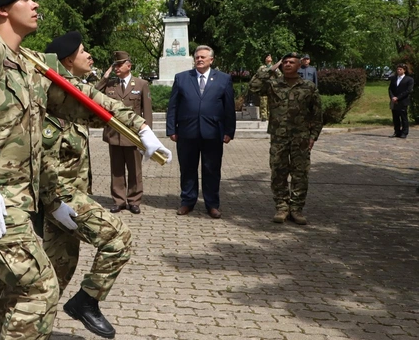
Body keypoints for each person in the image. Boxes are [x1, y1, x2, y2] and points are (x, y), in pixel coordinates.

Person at [0, 0, 168, 340]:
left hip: (19, 204)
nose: (35, 3)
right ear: (3, 10)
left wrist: (139, 129)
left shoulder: (28, 62)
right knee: (41, 290)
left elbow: (81, 98)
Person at [42, 31, 140, 340]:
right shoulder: (50, 102)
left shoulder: (74, 96)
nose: (90, 55)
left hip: (70, 199)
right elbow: (40, 161)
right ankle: (86, 301)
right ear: (68, 59)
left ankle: (30, 330)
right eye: (83, 51)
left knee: (55, 274)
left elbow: (103, 110)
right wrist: (54, 203)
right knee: (118, 238)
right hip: (61, 199)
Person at [249, 52, 323, 225]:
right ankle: (282, 207)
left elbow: (317, 114)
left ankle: (296, 209)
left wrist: (313, 136)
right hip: (279, 137)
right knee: (278, 173)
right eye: (285, 62)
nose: (288, 64)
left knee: (300, 174)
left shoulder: (308, 86)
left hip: (301, 138)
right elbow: (253, 87)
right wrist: (270, 68)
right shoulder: (273, 84)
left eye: (292, 62)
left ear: (299, 65)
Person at [166, 45, 236, 219]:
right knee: (187, 168)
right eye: (197, 57)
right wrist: (171, 129)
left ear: (211, 60)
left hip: (213, 132)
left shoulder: (223, 79)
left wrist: (229, 131)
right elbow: (173, 106)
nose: (199, 59)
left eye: (203, 57)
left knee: (211, 169)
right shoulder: (182, 78)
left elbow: (229, 107)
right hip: (187, 132)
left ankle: (212, 204)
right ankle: (187, 201)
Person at [95, 51, 153, 215]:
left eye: (120, 65)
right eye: (115, 65)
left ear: (129, 66)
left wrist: (147, 134)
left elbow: (147, 111)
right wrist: (105, 78)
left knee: (135, 170)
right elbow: (93, 93)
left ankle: (134, 200)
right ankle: (119, 201)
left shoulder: (141, 84)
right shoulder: (110, 84)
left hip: (133, 134)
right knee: (117, 169)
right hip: (114, 133)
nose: (116, 68)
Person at [388, 63, 414, 138]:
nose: (398, 70)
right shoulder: (394, 79)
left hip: (403, 101)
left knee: (403, 117)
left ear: (404, 70)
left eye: (400, 69)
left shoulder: (409, 79)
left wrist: (398, 98)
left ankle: (404, 132)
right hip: (394, 101)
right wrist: (392, 97)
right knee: (395, 117)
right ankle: (397, 131)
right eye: (398, 69)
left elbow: (408, 90)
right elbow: (390, 89)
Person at [257, 54, 279, 121]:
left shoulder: (275, 67)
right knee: (263, 102)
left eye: (270, 56)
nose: (269, 57)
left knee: (271, 102)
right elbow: (259, 75)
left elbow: (280, 76)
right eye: (267, 57)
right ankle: (264, 116)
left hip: (272, 87)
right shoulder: (262, 68)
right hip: (264, 87)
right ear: (265, 59)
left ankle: (271, 116)